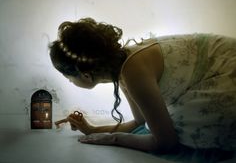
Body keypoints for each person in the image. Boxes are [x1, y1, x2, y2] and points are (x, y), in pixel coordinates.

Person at [49, 17, 236, 156]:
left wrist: (113, 139)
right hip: (219, 66)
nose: (69, 82)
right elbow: (139, 122)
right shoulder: (120, 64)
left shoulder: (133, 70)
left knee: (180, 129)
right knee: (155, 126)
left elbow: (165, 143)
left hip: (227, 71)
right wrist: (92, 129)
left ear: (85, 74)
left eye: (68, 77)